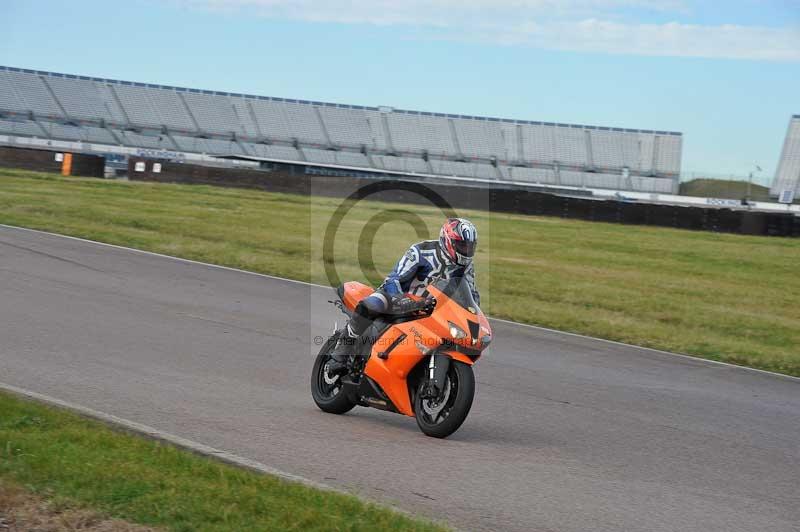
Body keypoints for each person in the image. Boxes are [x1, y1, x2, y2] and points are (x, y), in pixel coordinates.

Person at [327, 217, 480, 374]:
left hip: (431, 311)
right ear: (449, 240)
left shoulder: (466, 267)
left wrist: (472, 316)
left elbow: (471, 295)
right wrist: (399, 300)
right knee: (371, 305)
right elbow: (395, 279)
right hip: (397, 298)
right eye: (462, 245)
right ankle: (339, 355)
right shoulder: (422, 251)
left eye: (470, 246)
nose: (466, 251)